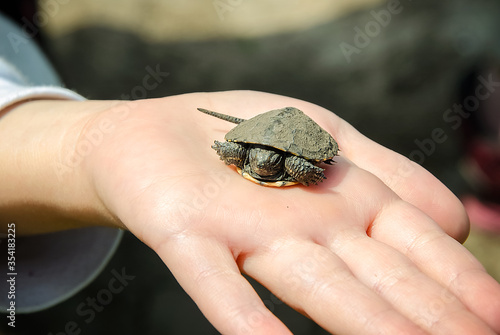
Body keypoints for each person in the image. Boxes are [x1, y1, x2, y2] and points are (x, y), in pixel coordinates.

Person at [1, 12, 499, 335]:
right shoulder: (245, 153)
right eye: (252, 159)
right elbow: (237, 148)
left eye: (264, 161)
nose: (260, 165)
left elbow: (314, 162)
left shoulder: (291, 164)